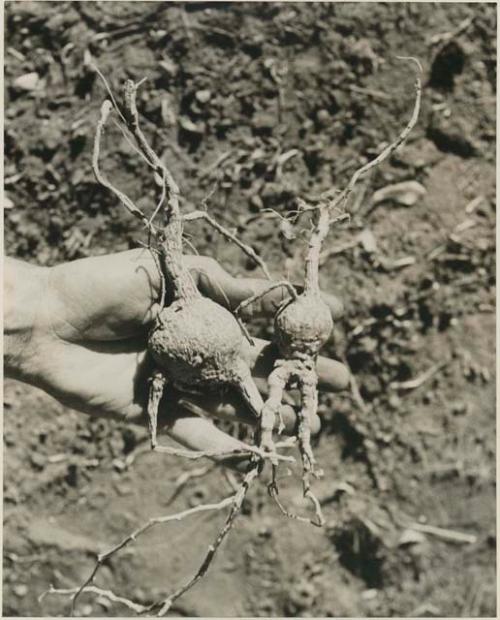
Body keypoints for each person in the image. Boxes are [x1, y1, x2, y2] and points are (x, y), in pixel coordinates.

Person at [4, 248, 349, 459]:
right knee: (261, 406)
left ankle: (269, 446)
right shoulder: (179, 324)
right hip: (201, 341)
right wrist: (40, 315)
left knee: (263, 405)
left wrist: (38, 313)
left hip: (216, 345)